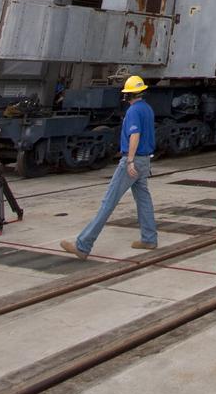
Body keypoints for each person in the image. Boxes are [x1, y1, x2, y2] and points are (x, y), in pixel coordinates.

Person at [61, 74, 157, 259]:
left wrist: (129, 161)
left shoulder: (133, 111)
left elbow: (134, 135)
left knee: (108, 202)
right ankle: (149, 238)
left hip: (133, 160)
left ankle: (83, 245)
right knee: (143, 199)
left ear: (128, 95)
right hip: (145, 160)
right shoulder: (147, 109)